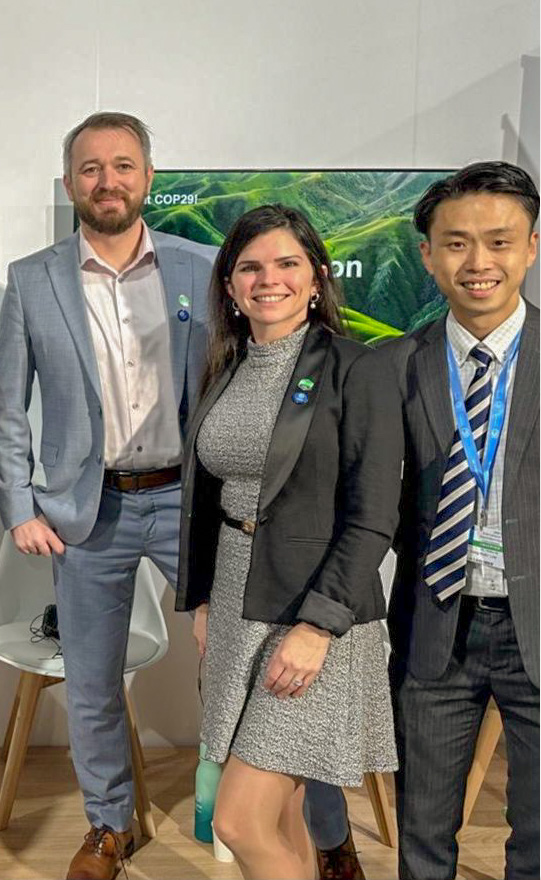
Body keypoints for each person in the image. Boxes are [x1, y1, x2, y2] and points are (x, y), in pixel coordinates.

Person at [0, 111, 214, 880]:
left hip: (191, 504)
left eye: (122, 165)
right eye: (90, 168)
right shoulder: (32, 278)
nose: (106, 181)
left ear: (147, 176)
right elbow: (5, 405)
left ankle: (273, 816)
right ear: (68, 183)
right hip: (90, 512)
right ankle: (109, 826)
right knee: (89, 681)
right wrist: (18, 506)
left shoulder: (201, 269)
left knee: (240, 661)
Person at [175, 204, 400, 879]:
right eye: (248, 266)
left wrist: (317, 629)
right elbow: (210, 500)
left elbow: (371, 517)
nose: (265, 279)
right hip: (235, 606)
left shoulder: (355, 370)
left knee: (238, 821)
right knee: (280, 818)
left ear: (315, 280)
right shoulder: (226, 365)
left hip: (313, 617)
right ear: (228, 285)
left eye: (285, 264)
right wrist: (203, 601)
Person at [386, 161, 538, 880]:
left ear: (530, 248)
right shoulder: (392, 367)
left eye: (499, 242)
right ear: (426, 254)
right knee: (421, 835)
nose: (477, 263)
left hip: (535, 622)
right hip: (433, 623)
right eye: (455, 243)